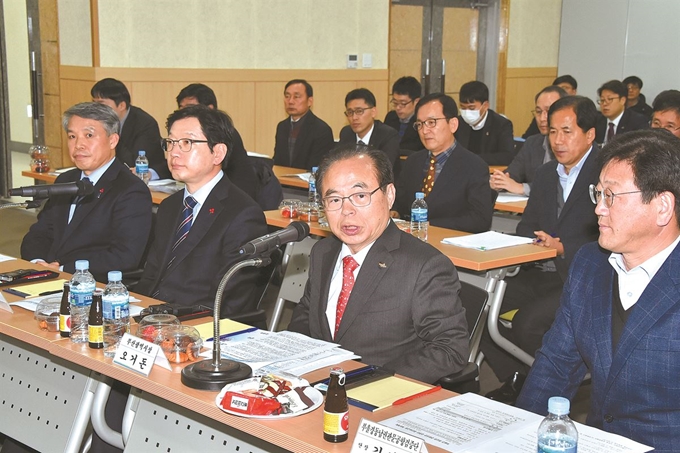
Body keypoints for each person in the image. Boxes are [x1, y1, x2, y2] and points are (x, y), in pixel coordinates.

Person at [517, 129, 680, 453]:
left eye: (612, 196)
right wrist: (516, 431)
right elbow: (557, 364)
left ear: (662, 206)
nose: (598, 209)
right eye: (598, 194)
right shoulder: (591, 264)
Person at [287, 145, 469, 384]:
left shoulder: (425, 266)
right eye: (334, 199)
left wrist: (374, 380)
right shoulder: (324, 251)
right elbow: (305, 315)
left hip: (381, 396)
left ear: (389, 195)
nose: (347, 211)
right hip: (317, 388)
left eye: (360, 196)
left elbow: (450, 349)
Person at [483, 96, 601, 404]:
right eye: (552, 132)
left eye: (567, 131)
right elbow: (526, 226)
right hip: (539, 269)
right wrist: (533, 240)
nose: (558, 141)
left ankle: (554, 394)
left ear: (590, 135)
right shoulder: (547, 174)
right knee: (476, 306)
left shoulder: (606, 172)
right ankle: (518, 377)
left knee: (528, 324)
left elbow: (610, 235)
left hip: (580, 276)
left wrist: (563, 247)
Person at [135, 105, 268, 317]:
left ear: (218, 153)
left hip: (195, 323)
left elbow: (229, 298)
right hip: (154, 315)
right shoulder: (170, 206)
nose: (174, 152)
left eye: (187, 143)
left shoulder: (243, 214)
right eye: (170, 142)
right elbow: (151, 276)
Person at [20, 102, 152, 283]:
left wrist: (63, 268)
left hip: (91, 285)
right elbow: (39, 233)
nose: (79, 144)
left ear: (113, 140)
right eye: (72, 136)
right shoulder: (65, 180)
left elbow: (125, 255)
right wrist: (39, 262)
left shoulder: (131, 190)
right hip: (48, 276)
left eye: (89, 135)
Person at [393, 93, 494, 233]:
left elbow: (479, 220)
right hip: (413, 243)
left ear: (452, 124)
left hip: (451, 244)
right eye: (420, 124)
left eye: (431, 122)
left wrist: (430, 225)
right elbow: (401, 202)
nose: (424, 130)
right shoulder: (413, 161)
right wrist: (395, 212)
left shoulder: (474, 166)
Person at [175, 83, 258, 201]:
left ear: (210, 109)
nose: (183, 114)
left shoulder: (223, 134)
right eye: (181, 108)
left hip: (231, 199)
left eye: (190, 108)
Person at [491, 85, 567, 196]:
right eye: (538, 112)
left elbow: (562, 185)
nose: (542, 118)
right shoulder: (533, 142)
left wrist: (522, 188)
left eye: (548, 111)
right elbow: (513, 173)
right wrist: (499, 181)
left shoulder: (572, 144)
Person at [90, 78, 169, 179]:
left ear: (122, 105)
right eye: (94, 103)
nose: (96, 109)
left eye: (101, 104)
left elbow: (134, 162)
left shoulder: (144, 123)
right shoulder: (97, 122)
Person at [272, 79, 334, 170]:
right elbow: (277, 161)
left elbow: (318, 167)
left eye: (296, 97)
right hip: (282, 182)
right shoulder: (282, 126)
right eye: (287, 96)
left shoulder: (321, 130)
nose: (290, 101)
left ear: (310, 101)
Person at [454, 80, 515, 165]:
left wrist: (472, 159)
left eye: (471, 108)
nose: (466, 112)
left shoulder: (501, 124)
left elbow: (507, 156)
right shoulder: (457, 123)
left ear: (485, 106)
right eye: (463, 108)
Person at [338, 88, 400, 168]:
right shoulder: (346, 133)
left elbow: (383, 170)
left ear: (373, 112)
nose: (354, 117)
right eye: (350, 112)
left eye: (359, 111)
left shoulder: (388, 135)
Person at [595, 80, 648, 146]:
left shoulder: (637, 122)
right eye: (602, 100)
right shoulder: (596, 121)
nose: (605, 104)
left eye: (610, 99)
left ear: (623, 100)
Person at [383, 76, 424, 154]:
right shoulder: (390, 117)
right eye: (395, 103)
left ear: (416, 101)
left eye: (403, 103)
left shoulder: (422, 122)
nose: (398, 107)